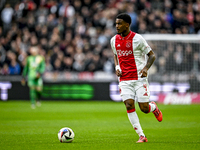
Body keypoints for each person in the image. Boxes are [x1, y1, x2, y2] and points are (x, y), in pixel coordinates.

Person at [110, 13, 163, 143]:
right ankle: (141, 135)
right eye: (116, 23)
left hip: (139, 78)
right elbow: (116, 54)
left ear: (127, 25)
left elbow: (152, 55)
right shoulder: (113, 40)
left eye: (119, 23)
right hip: (124, 79)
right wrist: (117, 67)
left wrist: (145, 69)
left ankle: (153, 108)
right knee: (129, 105)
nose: (117, 26)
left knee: (144, 109)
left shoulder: (138, 39)